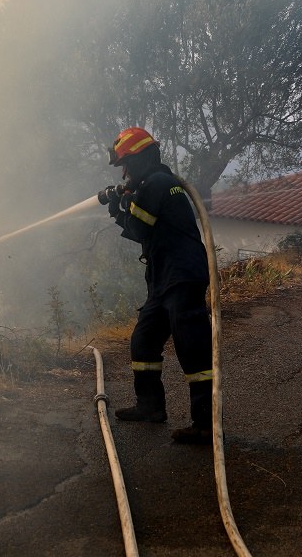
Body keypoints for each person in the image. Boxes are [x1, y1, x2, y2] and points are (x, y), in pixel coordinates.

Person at [98, 127, 213, 444]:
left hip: (182, 275)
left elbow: (138, 227)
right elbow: (142, 228)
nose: (123, 173)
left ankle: (205, 425)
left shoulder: (158, 183)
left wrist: (121, 208)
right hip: (165, 277)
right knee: (144, 340)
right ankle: (150, 406)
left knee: (193, 348)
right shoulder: (154, 184)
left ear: (136, 161)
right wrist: (121, 207)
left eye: (125, 165)